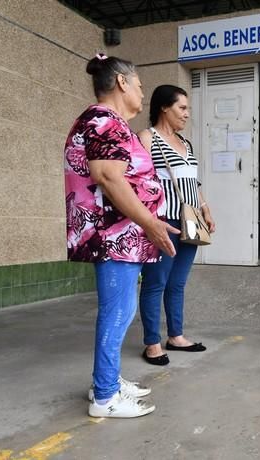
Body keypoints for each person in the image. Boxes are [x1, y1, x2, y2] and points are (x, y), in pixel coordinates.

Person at [65, 54, 178, 418]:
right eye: (140, 85)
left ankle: (108, 380)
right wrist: (150, 223)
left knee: (121, 310)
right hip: (112, 237)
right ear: (122, 83)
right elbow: (109, 176)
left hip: (122, 237)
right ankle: (104, 398)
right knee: (117, 312)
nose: (143, 93)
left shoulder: (109, 122)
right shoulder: (103, 121)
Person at [138, 85, 216, 366]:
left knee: (178, 283)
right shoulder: (148, 138)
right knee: (155, 282)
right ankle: (151, 342)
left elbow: (192, 182)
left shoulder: (187, 143)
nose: (187, 114)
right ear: (164, 107)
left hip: (190, 219)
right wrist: (149, 220)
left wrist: (205, 209)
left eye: (188, 109)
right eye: (182, 108)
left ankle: (176, 336)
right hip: (164, 221)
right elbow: (138, 182)